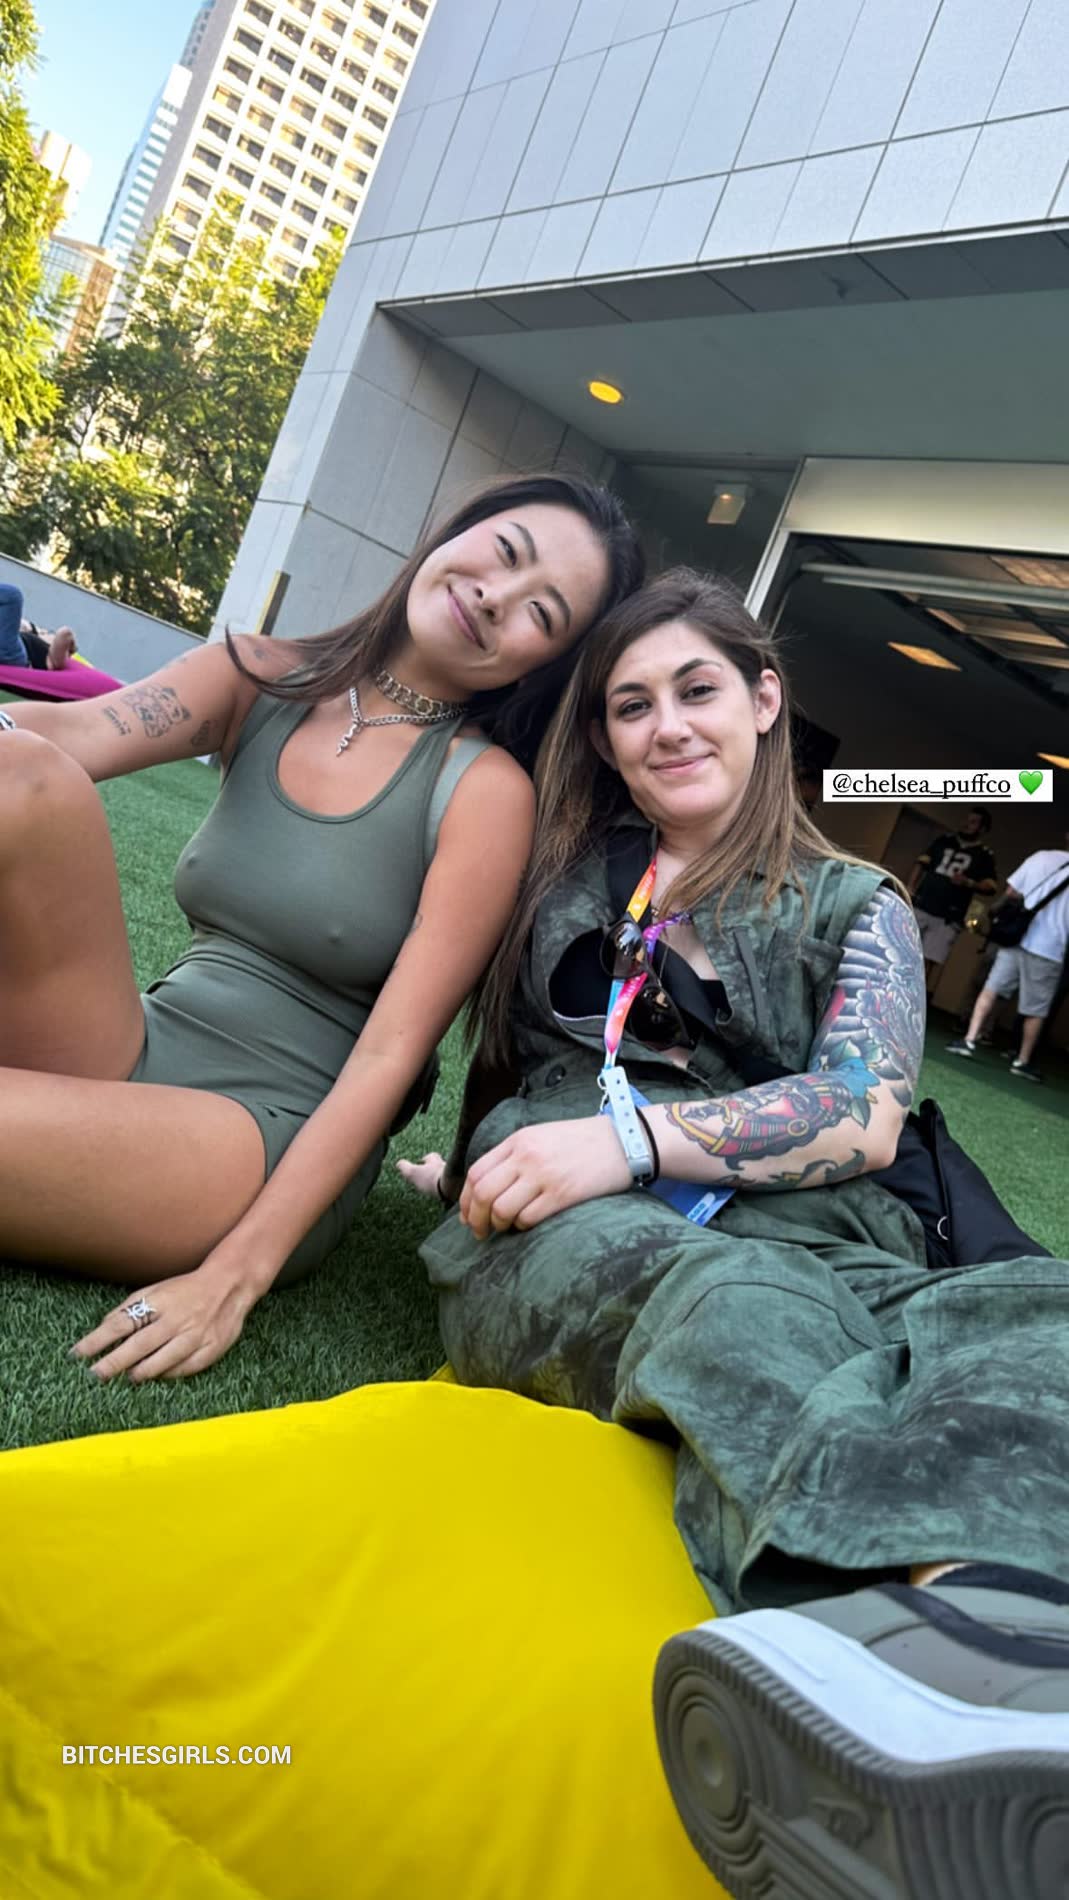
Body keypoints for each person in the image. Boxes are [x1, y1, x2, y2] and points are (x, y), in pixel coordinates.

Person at [405, 570, 1068, 1900]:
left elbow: (863, 1111)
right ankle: (879, 1677)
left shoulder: (854, 902)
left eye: (695, 689)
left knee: (1031, 1321)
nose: (666, 725)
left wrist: (640, 1137)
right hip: (581, 1221)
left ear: (764, 699)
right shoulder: (554, 873)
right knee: (741, 1313)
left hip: (814, 1219)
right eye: (629, 706)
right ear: (604, 739)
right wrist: (483, 1167)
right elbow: (469, 1042)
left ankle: (985, 1648)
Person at [0, 472, 643, 1382]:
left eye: (542, 611)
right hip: (132, 1041)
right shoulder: (262, 674)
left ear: (543, 665)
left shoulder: (485, 794)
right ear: (455, 531)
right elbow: (61, 740)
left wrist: (233, 1276)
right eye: (505, 553)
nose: (497, 597)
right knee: (20, 773)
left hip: (262, 1137)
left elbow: (389, 1057)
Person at [948, 829, 1069, 1080]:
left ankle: (969, 1039)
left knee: (991, 989)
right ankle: (1022, 1060)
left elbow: (1012, 891)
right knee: (1036, 1009)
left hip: (1017, 935)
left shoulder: (1041, 857)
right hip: (1050, 947)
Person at [907, 805, 996, 990]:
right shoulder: (944, 841)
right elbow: (921, 863)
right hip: (922, 904)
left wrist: (969, 883)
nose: (967, 824)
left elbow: (991, 886)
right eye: (967, 820)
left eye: (973, 822)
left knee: (927, 960)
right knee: (904, 947)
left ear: (982, 829)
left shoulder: (984, 855)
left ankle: (913, 996)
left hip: (948, 916)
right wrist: (910, 887)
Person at [0, 579, 78, 670]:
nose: (47, 632)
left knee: (13, 596)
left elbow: (65, 633)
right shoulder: (35, 641)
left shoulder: (54, 658)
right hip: (9, 646)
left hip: (13, 655)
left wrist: (70, 644)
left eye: (51, 633)